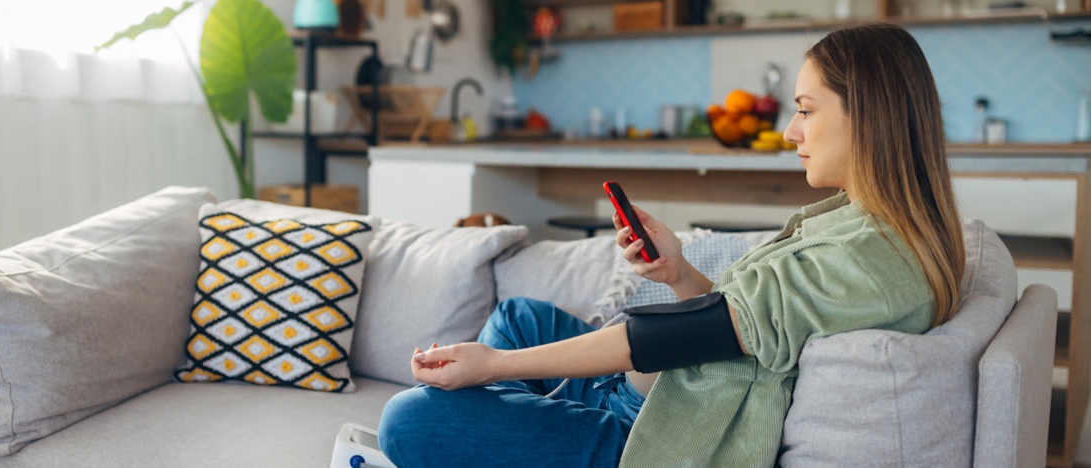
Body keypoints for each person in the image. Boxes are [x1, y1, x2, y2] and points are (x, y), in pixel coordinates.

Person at [378, 23, 966, 468]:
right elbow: (747, 327)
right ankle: (526, 419)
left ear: (870, 116)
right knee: (516, 315)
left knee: (409, 419)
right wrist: (679, 273)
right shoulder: (858, 226)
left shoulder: (872, 262)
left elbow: (687, 334)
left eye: (806, 111)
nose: (790, 132)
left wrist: (495, 367)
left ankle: (525, 417)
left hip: (656, 434)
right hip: (653, 391)